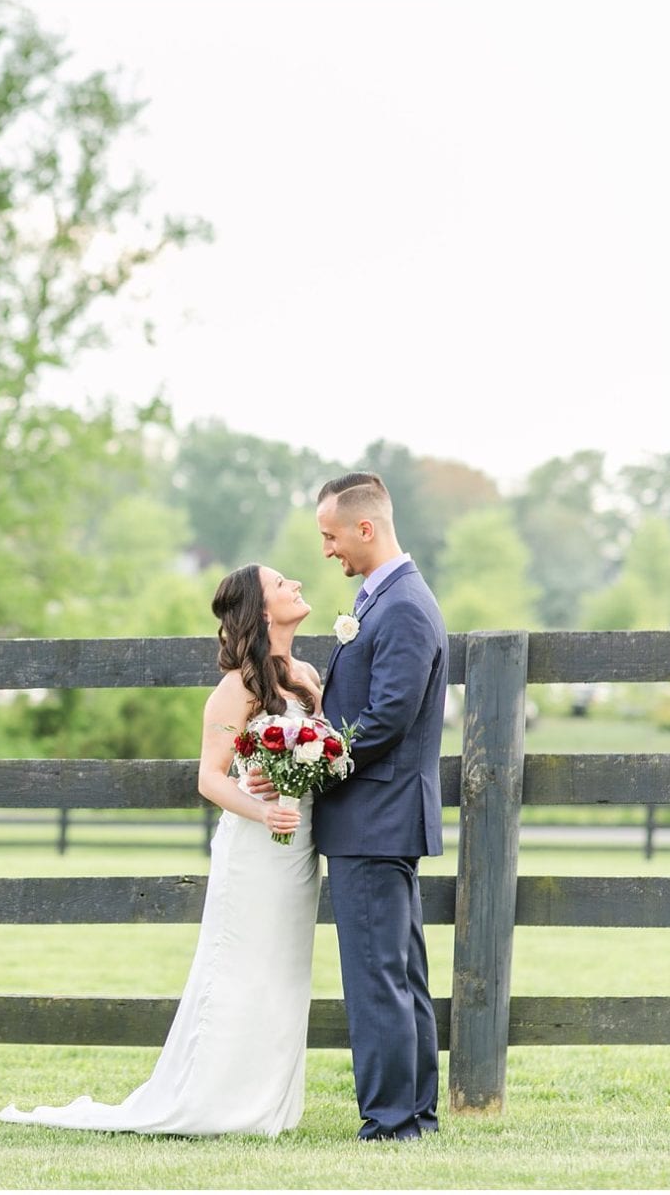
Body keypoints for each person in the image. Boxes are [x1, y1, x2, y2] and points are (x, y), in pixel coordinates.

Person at [0, 564, 319, 1136]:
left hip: (299, 852)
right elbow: (211, 779)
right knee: (241, 969)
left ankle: (267, 1105)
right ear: (263, 611)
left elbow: (321, 752)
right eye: (281, 582)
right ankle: (213, 1102)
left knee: (284, 972)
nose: (295, 583)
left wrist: (308, 777)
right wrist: (264, 806)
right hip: (256, 848)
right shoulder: (235, 688)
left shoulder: (310, 676)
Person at [248, 471, 447, 1141]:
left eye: (331, 536)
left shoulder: (405, 607)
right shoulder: (385, 601)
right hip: (379, 817)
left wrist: (311, 764)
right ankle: (413, 1113)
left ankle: (393, 1122)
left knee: (377, 977)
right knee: (398, 972)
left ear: (366, 528)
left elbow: (387, 717)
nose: (327, 550)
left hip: (374, 816)